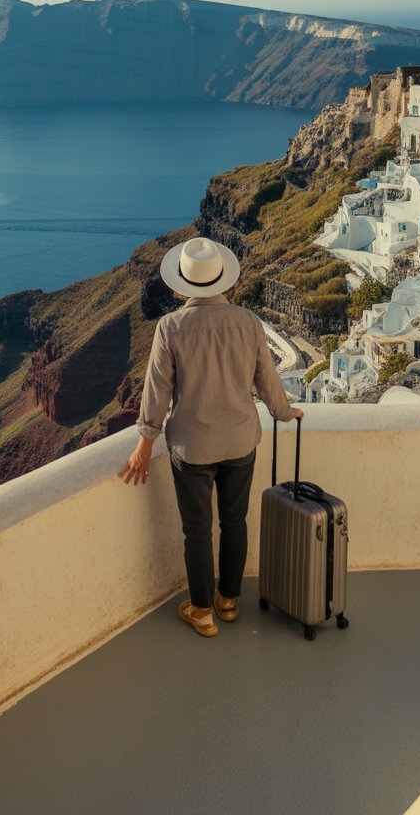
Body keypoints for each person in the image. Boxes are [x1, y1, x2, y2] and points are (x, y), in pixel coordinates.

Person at [120, 236, 303, 637]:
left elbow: (157, 391)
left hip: (193, 448)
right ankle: (229, 600)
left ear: (183, 282)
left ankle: (202, 611)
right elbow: (268, 379)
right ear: (223, 278)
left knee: (197, 530)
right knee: (234, 521)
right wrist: (284, 413)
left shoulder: (171, 327)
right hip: (240, 442)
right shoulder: (248, 323)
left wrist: (144, 443)